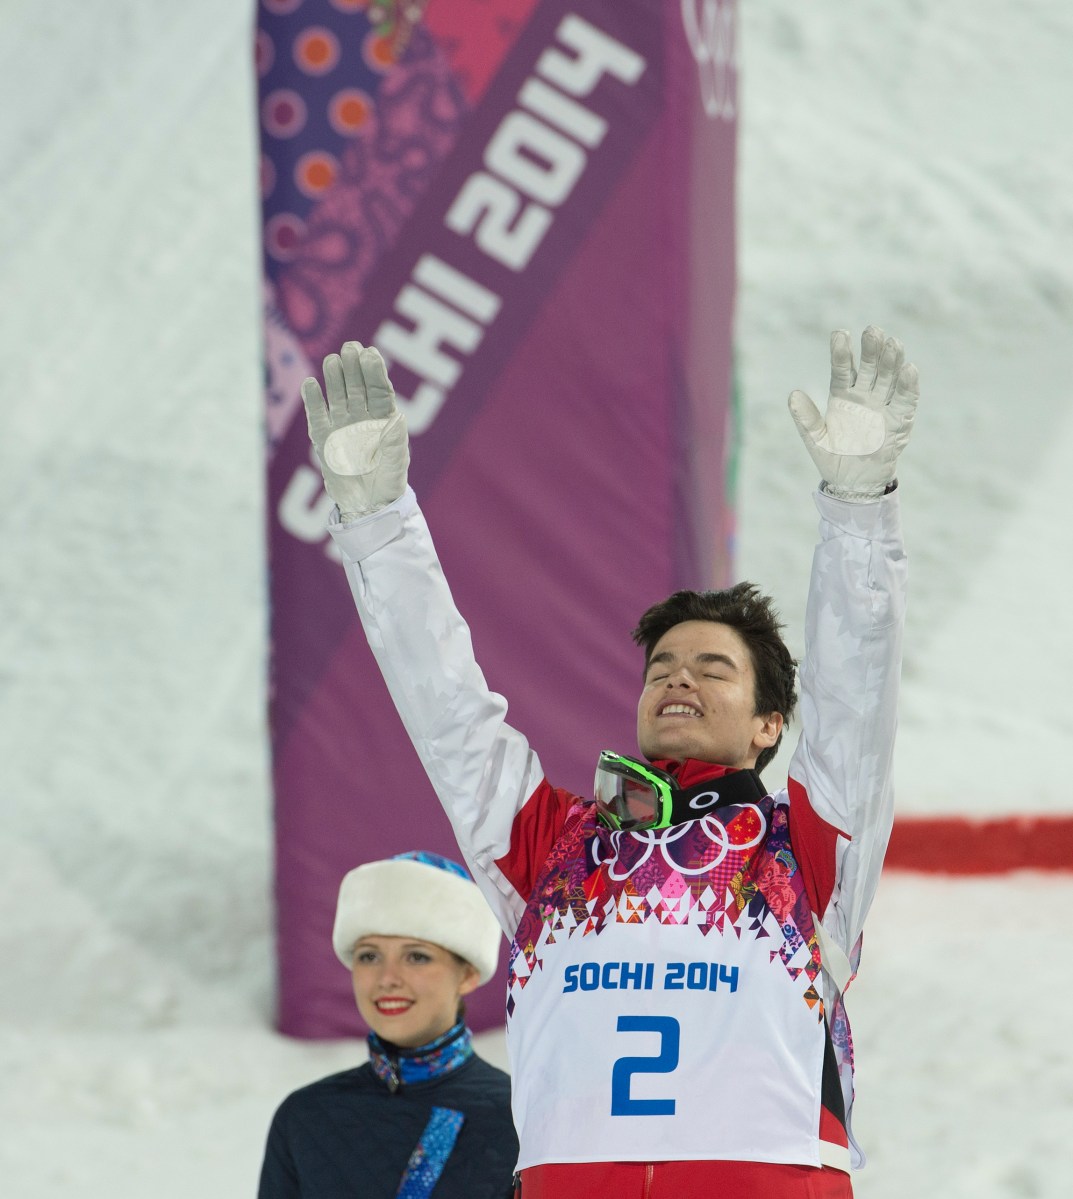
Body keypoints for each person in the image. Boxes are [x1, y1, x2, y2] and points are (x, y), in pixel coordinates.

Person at [299, 327, 919, 1197]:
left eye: (713, 669)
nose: (679, 680)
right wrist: (376, 524)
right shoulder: (551, 843)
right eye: (661, 667)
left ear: (769, 724)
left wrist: (857, 514)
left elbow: (855, 699)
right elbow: (446, 708)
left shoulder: (805, 850)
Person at [258, 851, 519, 1198]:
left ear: (468, 973)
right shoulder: (303, 1116)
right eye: (369, 956)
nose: (387, 978)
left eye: (416, 956)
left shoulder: (519, 1119)